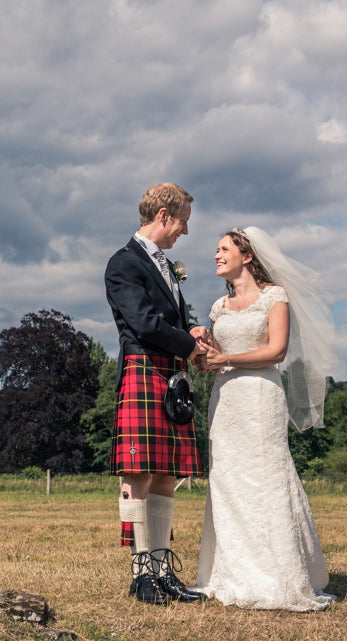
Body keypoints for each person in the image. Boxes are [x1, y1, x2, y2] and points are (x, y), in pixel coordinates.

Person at [196, 226, 337, 611]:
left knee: (267, 476)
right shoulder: (217, 307)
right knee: (227, 480)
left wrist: (224, 359)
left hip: (260, 397)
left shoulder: (275, 297)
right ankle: (230, 573)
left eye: (224, 249)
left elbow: (276, 351)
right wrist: (201, 346)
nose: (216, 255)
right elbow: (212, 355)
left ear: (248, 255)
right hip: (224, 401)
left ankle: (280, 576)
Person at [105, 182, 209, 605]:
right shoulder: (123, 263)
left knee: (167, 474)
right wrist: (191, 345)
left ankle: (164, 570)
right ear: (164, 215)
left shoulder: (165, 265)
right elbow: (146, 325)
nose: (185, 230)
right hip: (144, 371)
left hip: (169, 373)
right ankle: (141, 573)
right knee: (139, 475)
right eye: (183, 220)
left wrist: (191, 331)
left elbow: (167, 320)